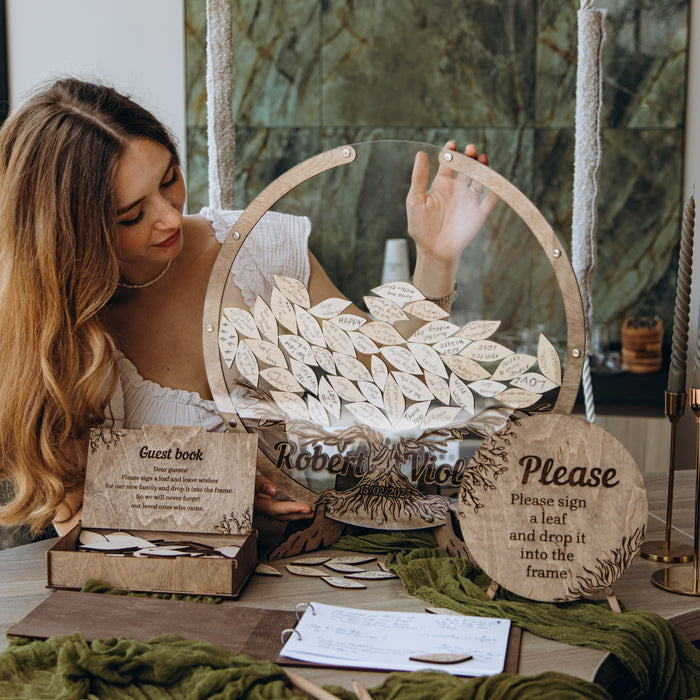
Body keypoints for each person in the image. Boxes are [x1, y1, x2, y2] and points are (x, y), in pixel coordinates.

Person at [0, 78, 497, 538]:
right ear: (72, 234)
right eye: (133, 214)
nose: (171, 216)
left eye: (170, 178)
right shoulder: (51, 334)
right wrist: (222, 491)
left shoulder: (260, 248)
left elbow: (394, 381)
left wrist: (436, 256)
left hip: (302, 564)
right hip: (155, 599)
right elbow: (76, 519)